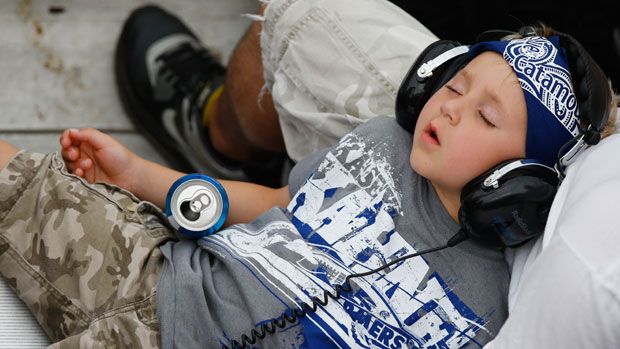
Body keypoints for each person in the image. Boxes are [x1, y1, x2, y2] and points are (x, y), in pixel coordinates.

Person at [1, 2, 617, 349]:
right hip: (159, 272)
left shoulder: (490, 312)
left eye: (484, 116)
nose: (449, 105)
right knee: (16, 175)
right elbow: (274, 201)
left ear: (520, 181)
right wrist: (141, 176)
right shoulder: (381, 140)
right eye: (455, 82)